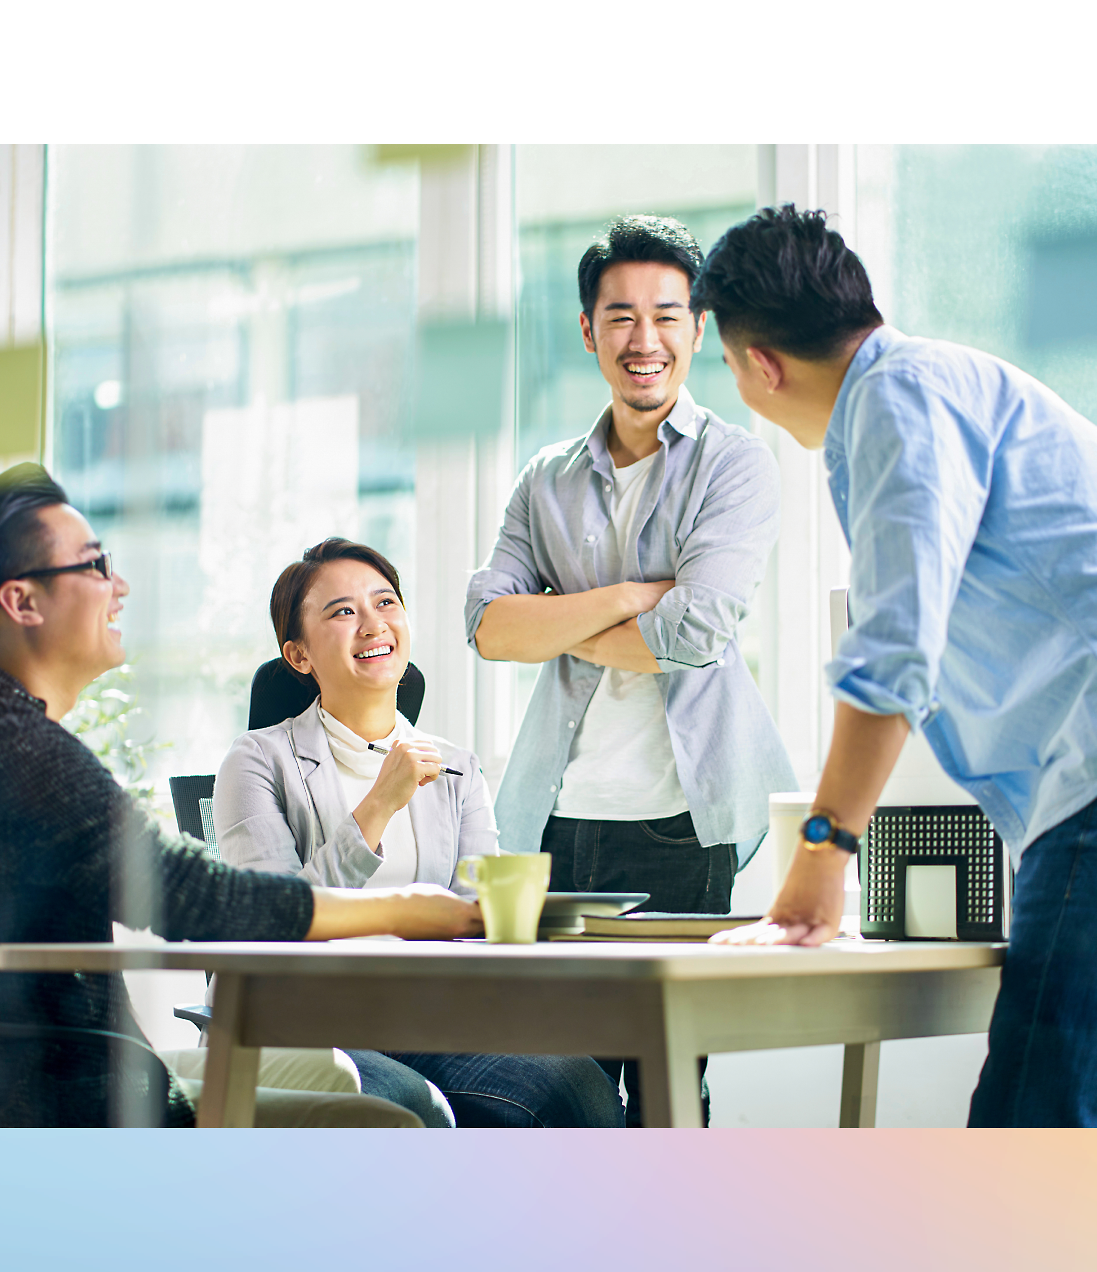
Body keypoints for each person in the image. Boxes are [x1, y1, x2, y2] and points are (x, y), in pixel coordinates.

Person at [697, 205, 1097, 1128]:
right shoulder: (944, 382)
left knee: (1035, 1139)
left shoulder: (894, 400)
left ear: (760, 364)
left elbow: (895, 643)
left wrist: (824, 853)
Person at [0, 465, 481, 1128]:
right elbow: (204, 900)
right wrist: (410, 908)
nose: (120, 587)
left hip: (36, 1073)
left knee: (373, 1092)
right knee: (393, 1120)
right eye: (95, 565)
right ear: (23, 602)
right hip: (54, 1095)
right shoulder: (11, 747)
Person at [464, 214, 797, 1126]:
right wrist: (628, 597)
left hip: (686, 820)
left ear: (698, 330)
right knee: (551, 1080)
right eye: (620, 317)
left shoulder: (734, 464)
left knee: (665, 1076)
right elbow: (489, 630)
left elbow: (696, 629)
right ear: (587, 331)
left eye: (666, 316)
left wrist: (556, 619)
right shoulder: (546, 479)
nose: (643, 341)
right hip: (555, 814)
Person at [213, 537, 624, 1128]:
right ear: (298, 655)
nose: (373, 624)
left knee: (579, 1087)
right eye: (343, 611)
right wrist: (381, 802)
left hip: (429, 1017)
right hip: (308, 1024)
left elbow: (479, 913)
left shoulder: (456, 766)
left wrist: (531, 922)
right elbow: (273, 923)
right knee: (412, 1108)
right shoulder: (256, 761)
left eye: (385, 603)